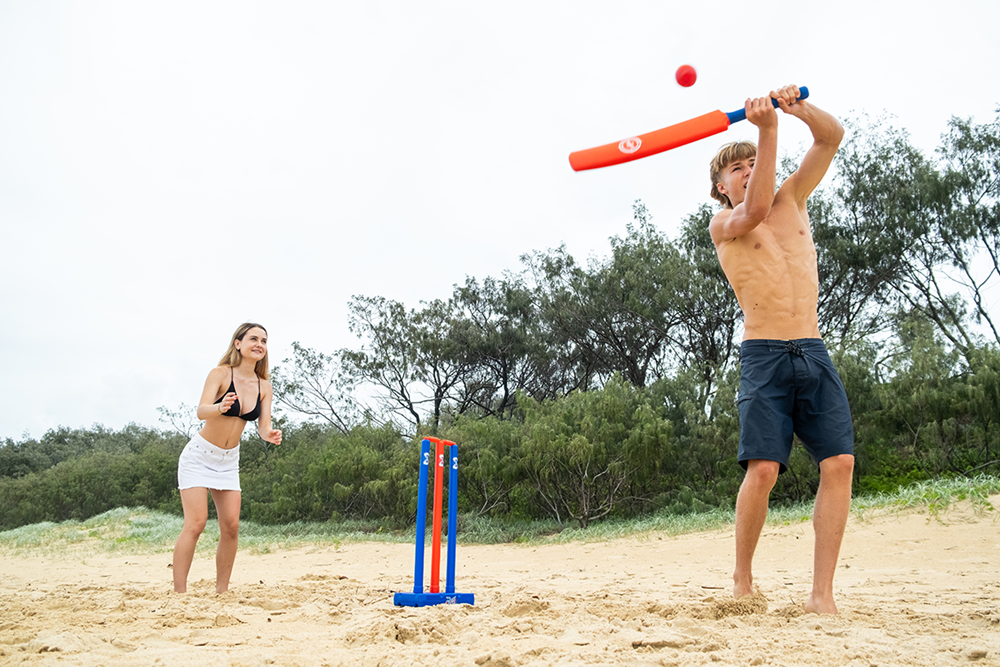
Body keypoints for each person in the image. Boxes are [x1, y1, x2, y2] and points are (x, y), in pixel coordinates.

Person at [708, 85, 854, 615]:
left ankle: (822, 596)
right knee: (764, 469)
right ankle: (743, 580)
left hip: (812, 349)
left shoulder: (793, 196)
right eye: (737, 167)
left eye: (753, 161)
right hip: (764, 354)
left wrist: (795, 110)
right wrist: (767, 130)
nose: (748, 169)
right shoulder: (724, 225)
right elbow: (756, 208)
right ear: (719, 188)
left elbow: (831, 136)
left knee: (839, 463)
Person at [172, 322, 282, 594]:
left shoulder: (264, 386)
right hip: (199, 457)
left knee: (231, 526)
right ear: (238, 343)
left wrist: (269, 434)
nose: (259, 344)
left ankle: (222, 592)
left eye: (264, 341)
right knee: (195, 524)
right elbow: (201, 411)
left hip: (229, 461)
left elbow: (262, 426)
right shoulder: (220, 374)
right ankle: (179, 593)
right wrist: (219, 407)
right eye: (253, 339)